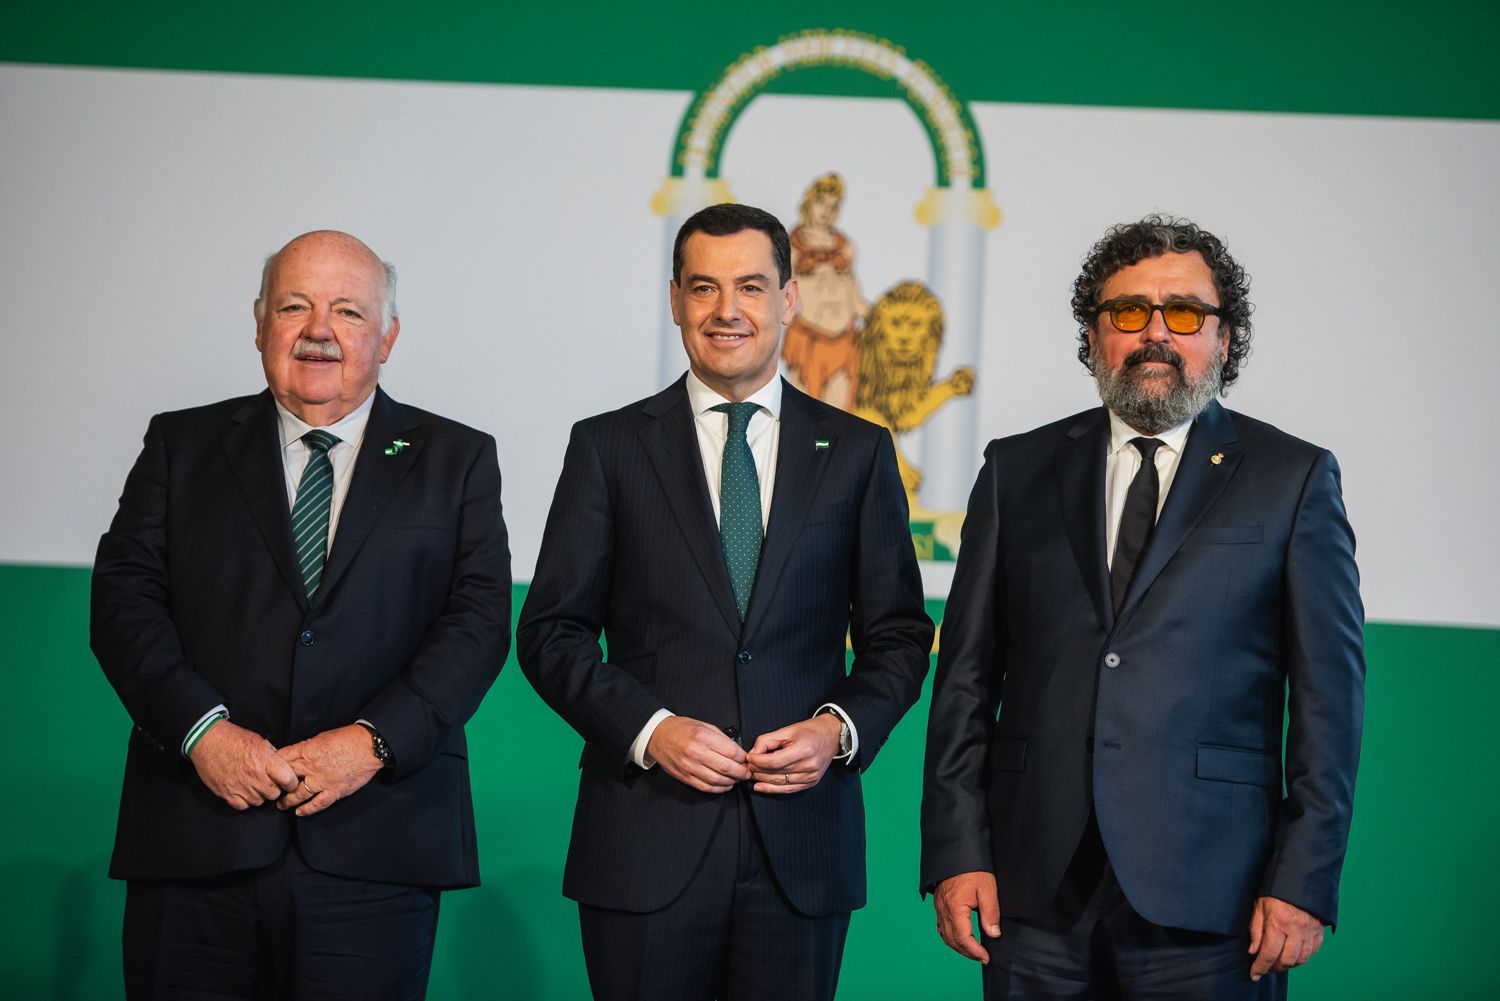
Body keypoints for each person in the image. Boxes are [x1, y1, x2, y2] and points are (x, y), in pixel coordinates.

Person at [921, 215, 1364, 999]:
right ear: (1093, 337)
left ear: (1225, 339)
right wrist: (958, 852)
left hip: (1215, 894)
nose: (1155, 333)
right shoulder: (1015, 469)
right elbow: (964, 680)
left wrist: (1304, 877)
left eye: (1185, 312)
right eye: (1128, 312)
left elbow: (1331, 702)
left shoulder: (1291, 478)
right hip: (1031, 890)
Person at [518, 203, 933, 1001]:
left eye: (750, 285)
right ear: (675, 300)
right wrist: (652, 729)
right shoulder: (607, 447)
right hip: (644, 834)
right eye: (703, 288)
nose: (726, 310)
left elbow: (900, 637)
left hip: (802, 845)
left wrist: (834, 731)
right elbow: (552, 633)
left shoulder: (857, 452)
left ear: (789, 299)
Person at [91, 230, 512, 999]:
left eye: (348, 310)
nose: (319, 329)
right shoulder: (179, 444)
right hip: (197, 833)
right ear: (259, 323)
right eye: (295, 305)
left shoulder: (457, 459)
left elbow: (479, 623)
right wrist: (202, 733)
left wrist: (371, 742)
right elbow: (123, 602)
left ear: (386, 336)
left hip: (375, 842)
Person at [780, 172, 867, 411]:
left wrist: (880, 318)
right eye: (821, 203)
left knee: (838, 422)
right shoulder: (789, 246)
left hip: (844, 340)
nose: (826, 211)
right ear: (809, 201)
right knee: (805, 421)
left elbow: (854, 295)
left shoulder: (845, 246)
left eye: (833, 205)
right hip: (809, 339)